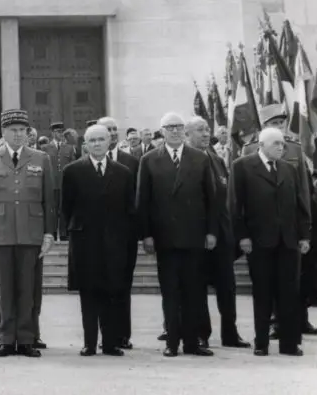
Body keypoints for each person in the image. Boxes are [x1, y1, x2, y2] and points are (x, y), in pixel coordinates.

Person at [0, 109, 56, 358]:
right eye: (13, 130)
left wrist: (49, 234)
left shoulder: (41, 158)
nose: (19, 135)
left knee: (29, 288)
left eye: (23, 130)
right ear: (4, 133)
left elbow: (48, 200)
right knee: (5, 289)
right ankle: (6, 339)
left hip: (31, 233)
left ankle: (27, 338)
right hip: (0, 232)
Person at [136, 112, 217, 358]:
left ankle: (193, 342)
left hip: (194, 235)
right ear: (161, 131)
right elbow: (143, 200)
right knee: (170, 292)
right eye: (170, 127)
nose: (175, 131)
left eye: (179, 127)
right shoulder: (149, 160)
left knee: (194, 290)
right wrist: (146, 235)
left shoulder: (200, 158)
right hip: (165, 237)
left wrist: (211, 231)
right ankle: (172, 341)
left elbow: (212, 198)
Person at [232, 127, 311, 357]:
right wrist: (243, 236)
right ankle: (262, 342)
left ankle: (289, 343)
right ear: (261, 145)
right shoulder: (243, 166)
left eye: (282, 144)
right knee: (263, 293)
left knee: (289, 293)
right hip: (259, 241)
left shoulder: (289, 168)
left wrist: (304, 235)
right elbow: (236, 206)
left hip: (288, 241)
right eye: (276, 143)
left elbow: (300, 205)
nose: (281, 147)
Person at [63, 124, 135, 356]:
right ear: (85, 144)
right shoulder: (73, 171)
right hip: (85, 243)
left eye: (101, 140)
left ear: (109, 142)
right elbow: (67, 208)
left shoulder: (124, 172)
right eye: (92, 140)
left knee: (113, 292)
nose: (96, 144)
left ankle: (111, 342)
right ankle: (90, 343)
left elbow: (129, 209)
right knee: (89, 294)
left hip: (114, 243)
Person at [184, 116, 249, 350]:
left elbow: (225, 200)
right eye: (199, 130)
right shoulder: (186, 160)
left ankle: (230, 334)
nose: (205, 134)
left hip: (221, 234)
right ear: (186, 134)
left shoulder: (217, 159)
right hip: (198, 235)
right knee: (198, 287)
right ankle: (202, 334)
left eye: (206, 130)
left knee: (227, 286)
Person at [102, 117, 141, 351]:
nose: (113, 133)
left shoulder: (131, 161)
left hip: (124, 235)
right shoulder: (83, 162)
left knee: (123, 285)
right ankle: (104, 335)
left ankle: (123, 335)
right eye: (109, 129)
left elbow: (136, 198)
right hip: (97, 236)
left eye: (115, 129)